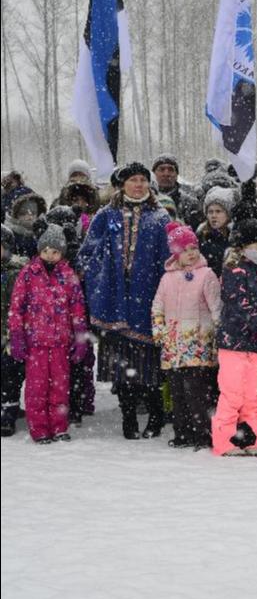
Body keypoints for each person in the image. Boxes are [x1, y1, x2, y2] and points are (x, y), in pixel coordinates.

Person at [77, 162, 171, 440]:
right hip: (115, 301)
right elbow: (87, 253)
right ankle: (128, 417)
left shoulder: (160, 217)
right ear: (122, 184)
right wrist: (103, 273)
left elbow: (170, 259)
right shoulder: (106, 215)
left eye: (143, 180)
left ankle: (155, 416)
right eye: (133, 180)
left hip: (148, 300)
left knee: (151, 367)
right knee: (123, 367)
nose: (139, 185)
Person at [8, 224, 88, 444]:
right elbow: (17, 307)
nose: (49, 256)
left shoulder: (68, 275)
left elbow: (78, 309)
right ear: (39, 251)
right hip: (35, 344)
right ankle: (40, 428)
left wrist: (80, 338)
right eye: (45, 251)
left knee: (60, 389)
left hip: (61, 343)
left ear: (61, 253)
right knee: (37, 389)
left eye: (55, 252)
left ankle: (59, 426)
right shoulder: (27, 274)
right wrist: (16, 336)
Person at [211, 219, 257, 457]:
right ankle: (225, 441)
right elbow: (237, 302)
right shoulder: (233, 268)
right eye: (256, 241)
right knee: (232, 393)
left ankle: (253, 440)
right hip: (234, 342)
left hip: (256, 343)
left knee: (253, 394)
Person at [152, 223, 221, 449]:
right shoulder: (167, 278)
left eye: (194, 248)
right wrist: (159, 330)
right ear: (175, 253)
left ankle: (201, 433)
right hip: (173, 345)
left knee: (197, 392)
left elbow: (216, 309)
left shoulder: (206, 275)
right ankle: (181, 432)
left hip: (197, 343)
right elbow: (157, 307)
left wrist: (218, 336)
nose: (191, 253)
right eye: (185, 249)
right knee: (178, 392)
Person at [1, 225, 28, 436]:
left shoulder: (17, 272)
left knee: (11, 374)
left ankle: (8, 411)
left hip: (12, 333)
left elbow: (21, 305)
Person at [151, 154, 203, 230]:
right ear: (154, 173)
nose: (166, 174)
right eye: (162, 169)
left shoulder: (190, 203)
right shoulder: (146, 199)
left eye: (171, 170)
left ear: (177, 174)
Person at [197, 186, 239, 277]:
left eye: (218, 211)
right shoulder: (201, 236)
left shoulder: (235, 237)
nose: (213, 216)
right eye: (210, 212)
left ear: (228, 214)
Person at [4, 192, 47, 257]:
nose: (29, 217)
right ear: (17, 215)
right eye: (23, 213)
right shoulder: (9, 234)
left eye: (33, 213)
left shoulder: (42, 232)